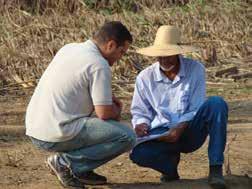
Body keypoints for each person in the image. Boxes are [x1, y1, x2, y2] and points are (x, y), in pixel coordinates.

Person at [25, 21, 136, 189]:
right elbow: (104, 113)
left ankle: (82, 168)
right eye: (121, 52)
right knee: (127, 136)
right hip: (57, 132)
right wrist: (117, 109)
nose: (120, 57)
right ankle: (66, 163)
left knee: (99, 126)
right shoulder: (99, 64)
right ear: (111, 45)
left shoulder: (69, 48)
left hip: (35, 128)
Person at [130, 25, 228, 189]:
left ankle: (216, 169)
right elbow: (140, 111)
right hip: (161, 134)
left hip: (190, 131)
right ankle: (169, 169)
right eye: (160, 56)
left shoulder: (195, 69)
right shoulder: (144, 77)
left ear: (178, 52)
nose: (164, 60)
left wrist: (180, 127)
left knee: (217, 103)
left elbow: (196, 107)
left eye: (169, 55)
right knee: (138, 155)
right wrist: (141, 124)